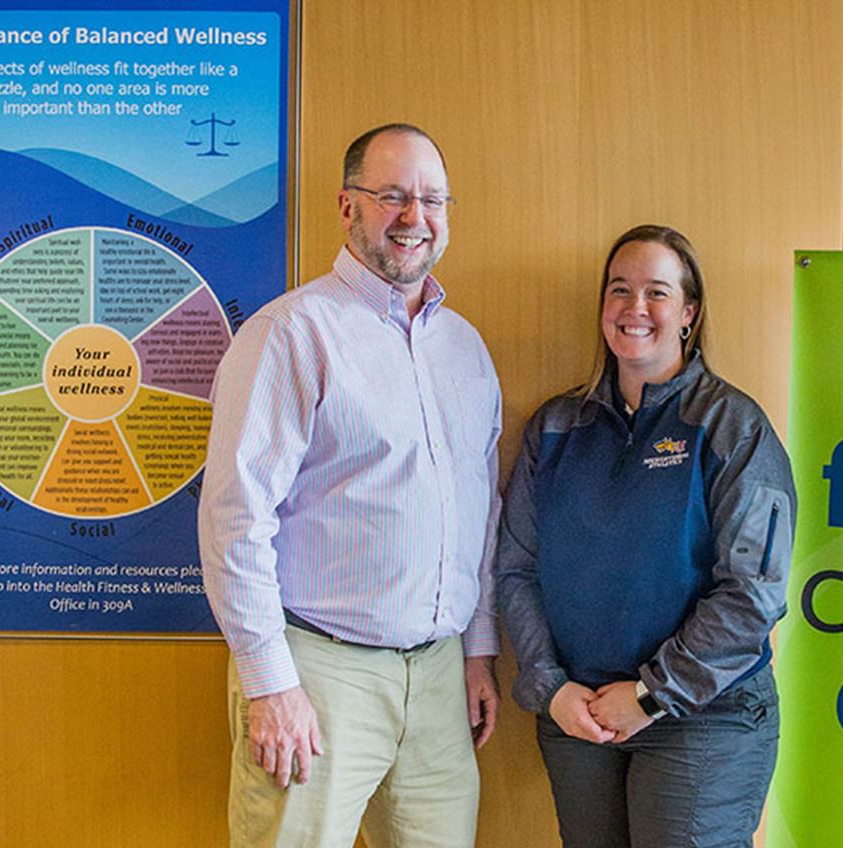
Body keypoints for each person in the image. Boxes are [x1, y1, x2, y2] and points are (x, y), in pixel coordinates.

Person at [200, 123, 502, 848]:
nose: (413, 217)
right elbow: (236, 518)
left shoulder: (464, 348)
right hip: (318, 671)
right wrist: (271, 685)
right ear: (347, 207)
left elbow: (479, 514)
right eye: (391, 195)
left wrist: (478, 651)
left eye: (432, 199)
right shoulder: (293, 333)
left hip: (437, 679)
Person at [497, 225, 795, 848]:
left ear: (688, 312)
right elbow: (516, 570)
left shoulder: (732, 427)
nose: (635, 308)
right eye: (620, 290)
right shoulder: (554, 427)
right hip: (580, 715)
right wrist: (551, 690)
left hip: (703, 716)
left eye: (657, 293)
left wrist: (653, 695)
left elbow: (753, 595)